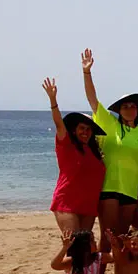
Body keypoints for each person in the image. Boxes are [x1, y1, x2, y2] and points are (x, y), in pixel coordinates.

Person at [81, 49, 138, 251]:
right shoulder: (110, 125)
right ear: (119, 110)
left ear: (137, 110)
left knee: (121, 239)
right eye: (125, 106)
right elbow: (93, 100)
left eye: (133, 106)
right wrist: (86, 73)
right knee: (108, 237)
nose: (129, 109)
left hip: (130, 191)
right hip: (109, 188)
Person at [43, 77, 106, 234]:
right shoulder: (66, 145)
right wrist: (53, 100)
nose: (85, 132)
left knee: (84, 249)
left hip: (89, 206)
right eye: (82, 128)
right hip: (67, 203)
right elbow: (59, 124)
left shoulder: (94, 151)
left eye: (88, 129)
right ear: (74, 130)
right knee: (74, 247)